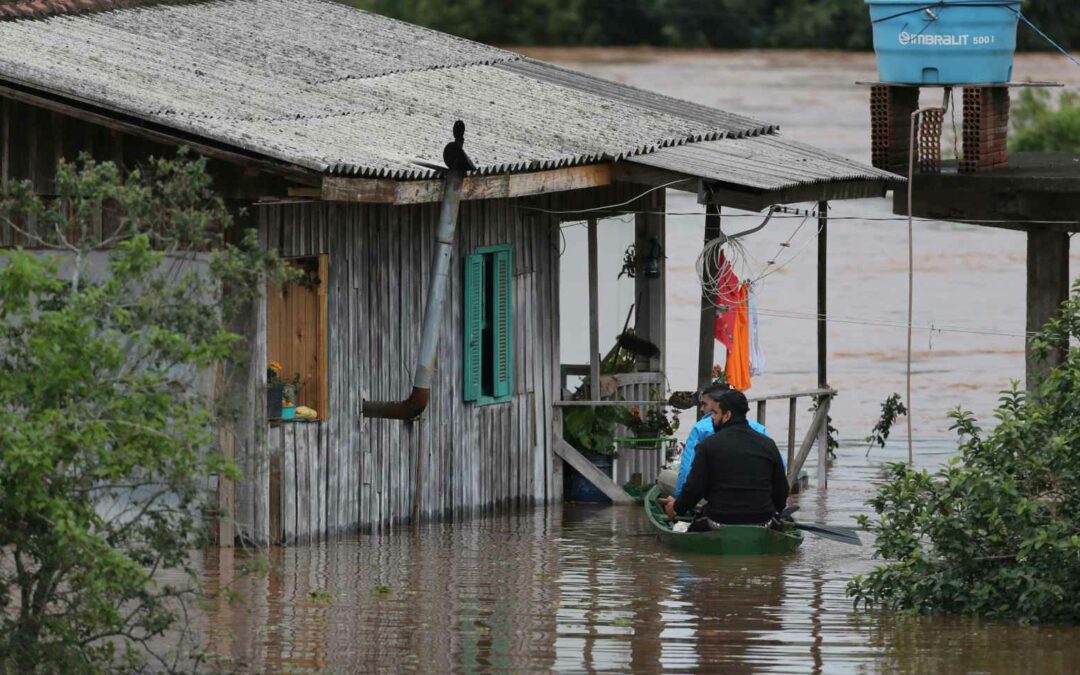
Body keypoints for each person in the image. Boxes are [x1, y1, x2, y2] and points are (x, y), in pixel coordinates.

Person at [659, 389, 788, 529]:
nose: (712, 418)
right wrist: (774, 513)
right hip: (763, 521)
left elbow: (693, 489)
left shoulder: (707, 446)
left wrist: (676, 507)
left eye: (715, 413)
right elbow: (781, 490)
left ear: (727, 415)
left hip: (718, 521)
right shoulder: (768, 444)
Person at [673, 382, 773, 498]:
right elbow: (780, 467)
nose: (701, 408)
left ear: (718, 404)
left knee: (665, 477)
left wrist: (678, 500)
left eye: (704, 404)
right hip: (759, 500)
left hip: (717, 500)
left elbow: (686, 468)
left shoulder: (701, 430)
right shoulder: (760, 430)